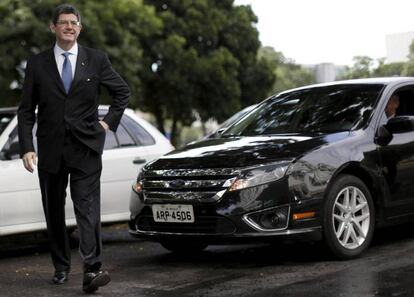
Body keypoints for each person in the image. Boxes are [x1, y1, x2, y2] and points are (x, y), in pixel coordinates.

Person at [17, 4, 130, 293]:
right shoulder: (37, 63)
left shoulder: (96, 60)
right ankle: (61, 266)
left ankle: (92, 269)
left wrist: (107, 125)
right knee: (53, 209)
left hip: (86, 147)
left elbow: (122, 92)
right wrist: (27, 147)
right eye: (63, 22)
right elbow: (26, 110)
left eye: (74, 23)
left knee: (87, 209)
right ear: (52, 27)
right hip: (50, 150)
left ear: (80, 28)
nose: (69, 26)